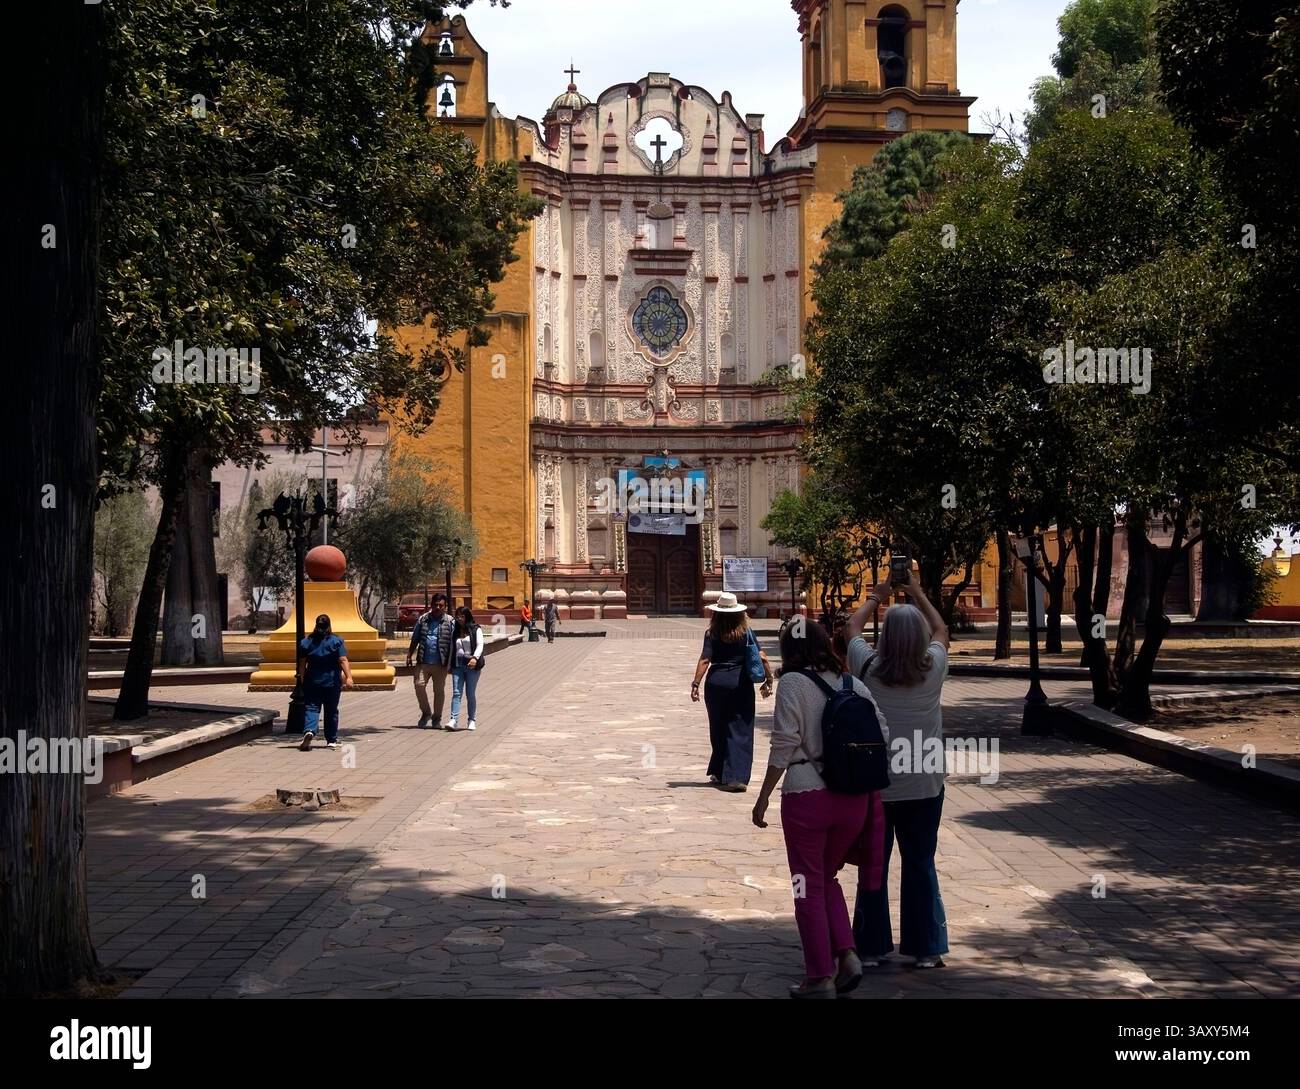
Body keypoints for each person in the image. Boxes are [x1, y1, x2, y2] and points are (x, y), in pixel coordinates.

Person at [751, 618, 889, 999]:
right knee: (824, 879)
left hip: (806, 801)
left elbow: (783, 745)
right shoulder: (852, 683)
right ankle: (847, 956)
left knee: (804, 887)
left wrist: (762, 797)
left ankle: (818, 976)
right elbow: (884, 734)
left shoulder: (792, 684)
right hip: (852, 802)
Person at [845, 566, 951, 969]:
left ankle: (871, 947)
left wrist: (879, 594)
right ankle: (926, 948)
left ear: (885, 637)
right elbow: (942, 631)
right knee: (920, 862)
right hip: (924, 783)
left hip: (878, 785)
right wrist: (918, 593)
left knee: (875, 862)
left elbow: (853, 627)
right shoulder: (933, 669)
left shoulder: (869, 669)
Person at [690, 592, 773, 792]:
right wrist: (768, 679)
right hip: (740, 683)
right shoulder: (746, 633)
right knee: (740, 728)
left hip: (716, 683)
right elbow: (761, 657)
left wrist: (695, 684)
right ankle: (737, 777)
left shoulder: (712, 633)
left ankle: (718, 773)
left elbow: (704, 660)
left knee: (718, 728)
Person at [298, 613, 353, 751]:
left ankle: (309, 730)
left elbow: (302, 663)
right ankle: (331, 740)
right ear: (329, 625)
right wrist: (349, 677)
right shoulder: (336, 641)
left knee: (311, 708)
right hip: (331, 682)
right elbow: (342, 660)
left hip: (312, 681)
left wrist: (302, 680)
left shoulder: (306, 642)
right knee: (331, 710)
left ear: (316, 625)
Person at [405, 593, 456, 728]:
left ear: (445, 607)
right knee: (419, 685)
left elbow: (455, 642)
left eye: (441, 605)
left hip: (441, 664)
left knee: (439, 692)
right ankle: (426, 713)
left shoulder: (450, 621)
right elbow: (415, 638)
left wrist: (453, 662)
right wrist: (409, 654)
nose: (438, 607)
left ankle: (436, 719)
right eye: (435, 605)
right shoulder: (423, 620)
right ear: (431, 605)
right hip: (423, 662)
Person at [448, 605, 484, 732]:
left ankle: (471, 720)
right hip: (458, 665)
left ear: (467, 616)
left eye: (462, 616)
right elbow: (452, 648)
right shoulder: (455, 631)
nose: (459, 619)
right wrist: (449, 665)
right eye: (457, 616)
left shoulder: (475, 629)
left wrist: (475, 658)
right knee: (456, 693)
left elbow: (480, 645)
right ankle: (453, 719)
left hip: (472, 666)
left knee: (470, 694)